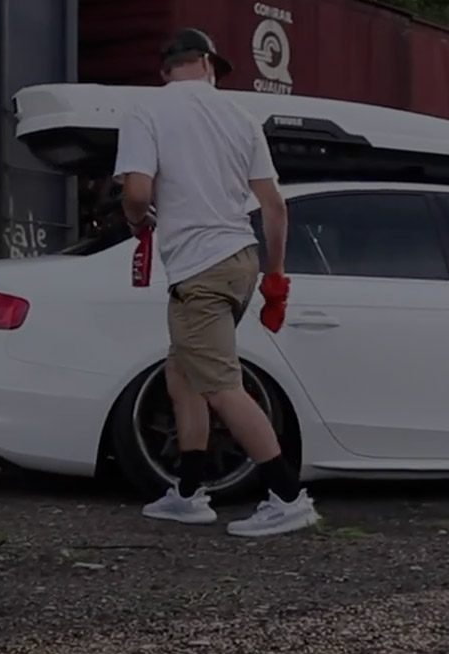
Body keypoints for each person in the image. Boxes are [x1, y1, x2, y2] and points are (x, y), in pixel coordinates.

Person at [112, 27, 319, 537]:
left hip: (198, 269)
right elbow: (274, 206)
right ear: (208, 64)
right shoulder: (241, 117)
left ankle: (288, 496)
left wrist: (136, 219)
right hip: (240, 260)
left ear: (166, 71)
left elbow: (137, 192)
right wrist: (275, 276)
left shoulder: (147, 111)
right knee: (182, 373)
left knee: (222, 385)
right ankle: (188, 492)